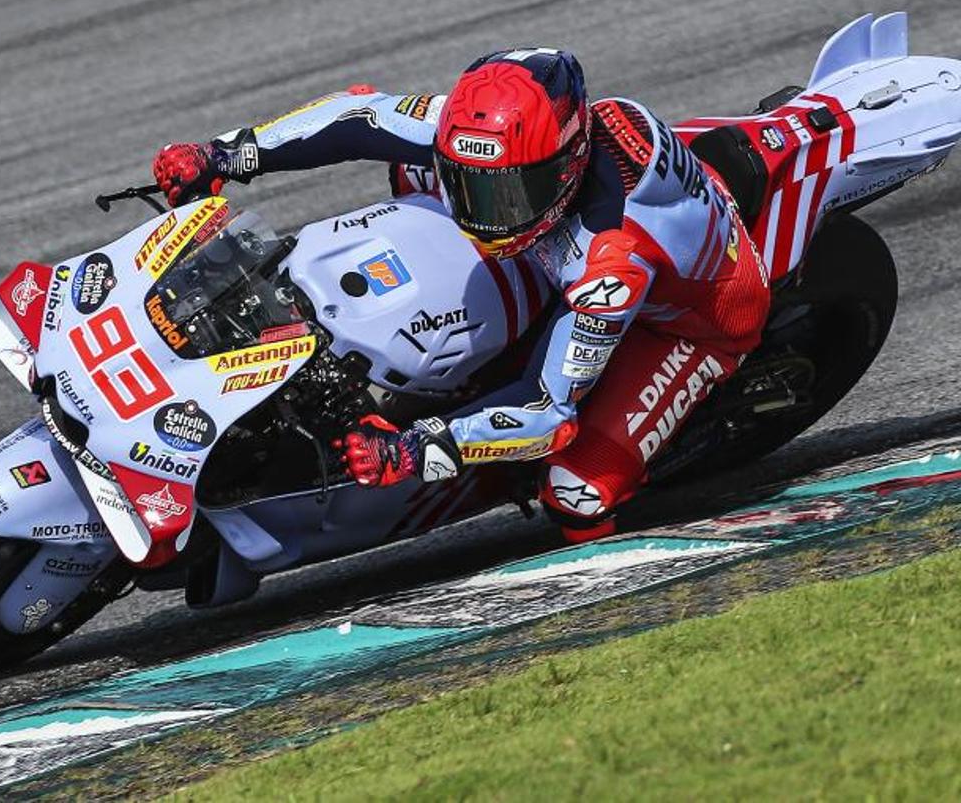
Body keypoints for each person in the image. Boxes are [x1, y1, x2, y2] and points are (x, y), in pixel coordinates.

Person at [152, 47, 770, 543]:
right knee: (406, 163)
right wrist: (225, 153)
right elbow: (355, 116)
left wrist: (416, 446)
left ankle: (613, 592)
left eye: (503, 195)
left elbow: (548, 412)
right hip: (558, 257)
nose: (481, 212)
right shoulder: (496, 135)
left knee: (575, 494)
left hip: (694, 320)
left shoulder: (610, 263)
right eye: (468, 185)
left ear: (567, 164)